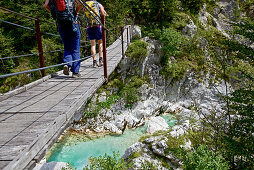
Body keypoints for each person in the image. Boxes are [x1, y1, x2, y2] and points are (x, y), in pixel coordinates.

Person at [44, 0, 83, 78]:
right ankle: (75, 72)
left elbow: (46, 5)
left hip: (61, 24)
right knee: (75, 48)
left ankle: (67, 64)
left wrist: (54, 13)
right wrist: (76, 12)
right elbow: (80, 4)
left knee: (67, 46)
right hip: (73, 24)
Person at [85, 0, 107, 68]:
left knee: (93, 45)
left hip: (89, 27)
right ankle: (101, 59)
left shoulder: (85, 4)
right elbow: (103, 14)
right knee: (100, 43)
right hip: (97, 27)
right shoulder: (98, 4)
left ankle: (94, 62)